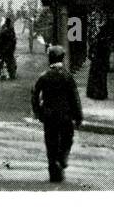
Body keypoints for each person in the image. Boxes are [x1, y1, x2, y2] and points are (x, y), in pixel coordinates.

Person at [31, 45, 83, 183]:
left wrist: (38, 112)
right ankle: (62, 158)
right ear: (62, 58)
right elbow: (74, 97)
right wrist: (78, 116)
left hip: (49, 116)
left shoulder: (44, 76)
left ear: (50, 59)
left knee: (51, 142)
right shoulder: (67, 76)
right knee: (67, 139)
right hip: (65, 115)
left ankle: (53, 171)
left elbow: (35, 95)